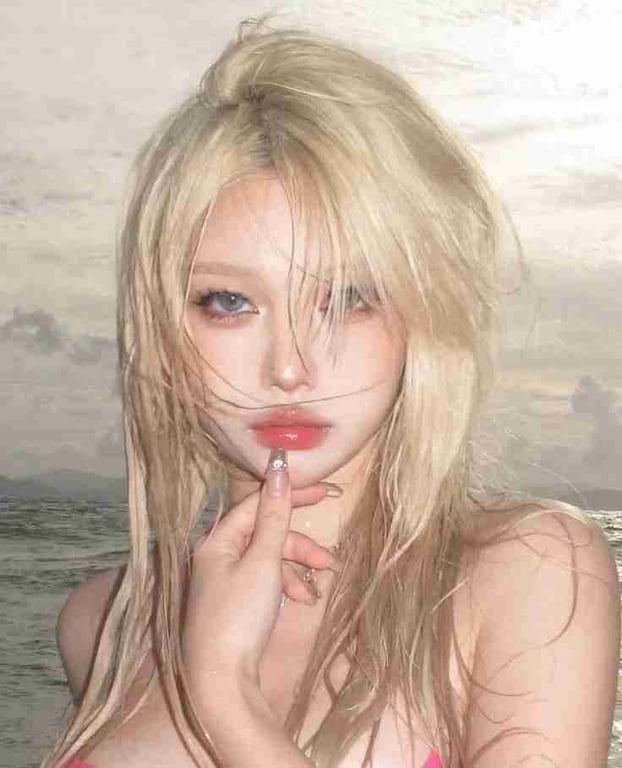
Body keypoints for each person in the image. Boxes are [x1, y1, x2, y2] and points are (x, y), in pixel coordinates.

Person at [45, 16, 619, 768]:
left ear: (420, 310)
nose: (290, 367)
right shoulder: (105, 623)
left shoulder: (525, 576)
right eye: (228, 302)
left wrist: (225, 694)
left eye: (348, 298)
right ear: (162, 329)